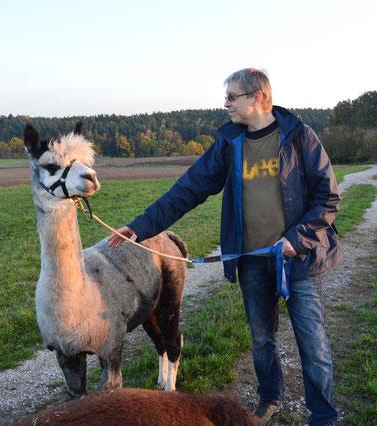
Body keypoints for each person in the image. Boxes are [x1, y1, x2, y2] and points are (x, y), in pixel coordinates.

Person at [109, 68, 342, 425]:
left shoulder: (298, 136)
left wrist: (296, 240)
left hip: (301, 259)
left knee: (313, 344)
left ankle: (324, 415)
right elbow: (189, 189)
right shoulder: (230, 143)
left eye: (233, 97)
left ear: (259, 97)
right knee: (262, 340)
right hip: (251, 262)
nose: (226, 104)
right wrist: (140, 227)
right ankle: (269, 397)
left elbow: (327, 198)